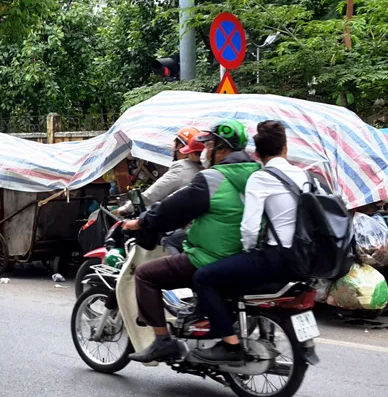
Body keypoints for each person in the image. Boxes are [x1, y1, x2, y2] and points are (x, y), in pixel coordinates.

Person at [121, 119, 260, 363]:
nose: (206, 151)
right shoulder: (258, 173)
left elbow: (172, 209)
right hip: (245, 256)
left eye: (210, 145)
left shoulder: (212, 179)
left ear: (222, 149)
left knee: (145, 274)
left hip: (211, 255)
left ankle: (162, 342)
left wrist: (142, 222)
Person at [189, 120, 308, 364]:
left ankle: (229, 345)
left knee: (203, 277)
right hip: (303, 258)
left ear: (257, 153)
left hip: (276, 258)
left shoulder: (261, 178)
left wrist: (246, 250)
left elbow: (250, 228)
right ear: (285, 149)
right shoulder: (304, 176)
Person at [117, 128, 205, 255]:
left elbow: (152, 195)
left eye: (174, 143)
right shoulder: (205, 170)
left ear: (181, 147)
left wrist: (126, 208)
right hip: (199, 226)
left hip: (188, 228)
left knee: (166, 241)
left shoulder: (182, 167)